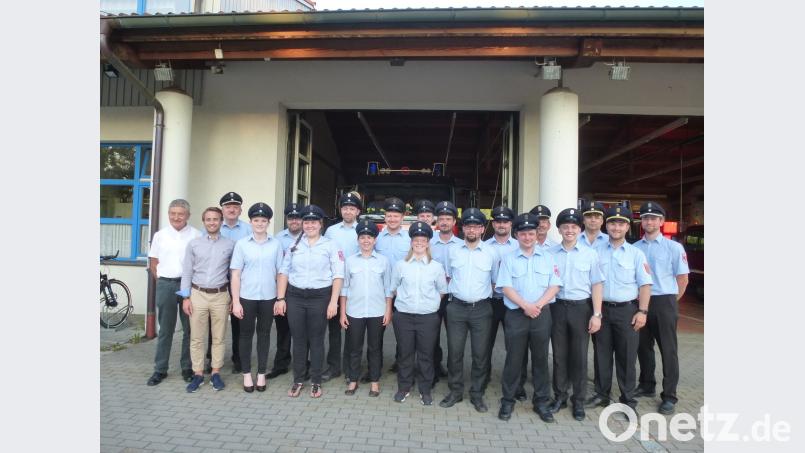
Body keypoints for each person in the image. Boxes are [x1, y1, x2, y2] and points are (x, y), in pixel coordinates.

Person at [585, 206, 652, 418]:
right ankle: (602, 394)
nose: (616, 227)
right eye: (613, 223)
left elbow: (645, 285)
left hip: (627, 311)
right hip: (602, 310)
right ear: (607, 225)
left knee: (626, 357)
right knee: (601, 355)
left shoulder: (636, 253)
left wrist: (642, 311)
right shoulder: (595, 252)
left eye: (621, 223)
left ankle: (627, 399)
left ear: (627, 226)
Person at [496, 213, 562, 422]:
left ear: (536, 234)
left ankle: (541, 402)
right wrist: (526, 306)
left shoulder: (550, 257)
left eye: (531, 233)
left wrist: (538, 306)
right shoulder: (508, 258)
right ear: (517, 235)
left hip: (541, 314)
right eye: (523, 233)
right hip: (517, 314)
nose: (527, 237)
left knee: (541, 359)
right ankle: (508, 400)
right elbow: (506, 287)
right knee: (513, 359)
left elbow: (555, 285)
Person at [275, 204, 345, 398]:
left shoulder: (330, 245)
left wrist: (333, 302)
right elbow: (284, 272)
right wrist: (281, 298)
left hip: (320, 297)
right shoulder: (294, 245)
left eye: (314, 221)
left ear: (321, 224)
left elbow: (338, 275)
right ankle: (298, 379)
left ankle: (315, 380)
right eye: (307, 221)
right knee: (298, 340)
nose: (310, 225)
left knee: (316, 340)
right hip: (295, 297)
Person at [547, 208, 604, 420]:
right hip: (557, 308)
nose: (569, 230)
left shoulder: (590, 254)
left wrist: (597, 314)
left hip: (581, 308)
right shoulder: (550, 253)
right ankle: (560, 396)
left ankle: (578, 401)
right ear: (559, 229)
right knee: (559, 355)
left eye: (573, 227)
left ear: (579, 229)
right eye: (565, 226)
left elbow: (597, 284)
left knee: (579, 356)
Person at [440, 208, 499, 413]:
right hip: (456, 307)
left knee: (480, 354)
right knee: (455, 352)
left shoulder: (491, 252)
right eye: (468, 225)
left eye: (476, 226)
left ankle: (477, 394)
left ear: (483, 229)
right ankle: (455, 392)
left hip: (481, 309)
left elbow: (494, 282)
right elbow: (448, 276)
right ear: (462, 228)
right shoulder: (452, 251)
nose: (472, 229)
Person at [633, 201, 689, 415]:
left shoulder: (674, 247)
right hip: (639, 303)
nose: (649, 221)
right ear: (642, 221)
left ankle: (669, 395)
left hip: (665, 300)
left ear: (662, 221)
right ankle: (647, 384)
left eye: (654, 218)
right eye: (646, 218)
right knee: (642, 346)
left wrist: (671, 302)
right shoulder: (634, 248)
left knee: (668, 350)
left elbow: (682, 278)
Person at [390, 221, 448, 405]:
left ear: (428, 243)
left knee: (426, 355)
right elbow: (394, 288)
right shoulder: (401, 265)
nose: (419, 243)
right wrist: (406, 302)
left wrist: (428, 305)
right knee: (405, 354)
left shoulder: (436, 267)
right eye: (416, 239)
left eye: (423, 240)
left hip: (428, 317)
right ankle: (404, 387)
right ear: (411, 242)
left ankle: (425, 389)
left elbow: (442, 290)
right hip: (404, 316)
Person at [146, 199, 202, 386]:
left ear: (188, 215)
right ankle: (160, 369)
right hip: (166, 285)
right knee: (166, 329)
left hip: (188, 287)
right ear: (169, 214)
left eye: (180, 213)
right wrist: (163, 281)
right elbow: (154, 263)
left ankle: (187, 368)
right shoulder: (160, 235)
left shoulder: (196, 235)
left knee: (189, 329)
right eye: (173, 213)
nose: (176, 217)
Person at [179, 206, 235, 392]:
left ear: (221, 221)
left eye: (216, 219)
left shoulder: (230, 244)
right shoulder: (194, 244)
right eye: (208, 219)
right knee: (197, 337)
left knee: (219, 337)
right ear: (204, 222)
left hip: (220, 295)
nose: (212, 222)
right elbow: (187, 271)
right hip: (198, 295)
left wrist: (233, 298)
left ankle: (216, 373)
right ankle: (197, 374)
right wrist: (185, 297)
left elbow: (233, 273)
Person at [230, 202, 284, 393]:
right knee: (245, 335)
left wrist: (280, 298)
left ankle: (261, 374)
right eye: (256, 220)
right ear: (251, 222)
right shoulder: (242, 245)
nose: (260, 223)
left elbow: (280, 273)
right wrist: (235, 301)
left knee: (264, 334)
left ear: (268, 222)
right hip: (246, 297)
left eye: (263, 220)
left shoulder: (276, 244)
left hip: (269, 297)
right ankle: (246, 374)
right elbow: (235, 274)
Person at [340, 220, 393, 397]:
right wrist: (342, 313)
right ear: (358, 240)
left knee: (375, 348)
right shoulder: (349, 261)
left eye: (369, 237)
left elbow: (388, 289)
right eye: (362, 237)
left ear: (375, 240)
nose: (365, 241)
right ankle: (353, 380)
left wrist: (388, 311)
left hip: (377, 312)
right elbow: (344, 288)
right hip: (354, 311)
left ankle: (374, 382)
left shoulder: (384, 261)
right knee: (354, 348)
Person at [206, 191, 252, 375]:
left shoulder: (249, 229)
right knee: (214, 323)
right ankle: (212, 359)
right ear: (222, 209)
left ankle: (238, 359)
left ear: (241, 209)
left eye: (235, 206)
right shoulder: (213, 226)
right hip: (218, 281)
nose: (231, 209)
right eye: (228, 206)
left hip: (240, 283)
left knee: (239, 324)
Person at [323, 192, 362, 383]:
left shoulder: (362, 230)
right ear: (341, 210)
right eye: (345, 208)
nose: (348, 211)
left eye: (352, 208)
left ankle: (350, 368)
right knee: (334, 329)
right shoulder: (331, 231)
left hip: (355, 286)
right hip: (334, 285)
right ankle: (333, 367)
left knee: (352, 329)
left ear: (357, 211)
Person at [481, 206, 518, 394]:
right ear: (493, 223)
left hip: (513, 304)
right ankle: (483, 377)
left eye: (505, 221)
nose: (501, 224)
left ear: (511, 224)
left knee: (514, 344)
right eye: (498, 221)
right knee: (485, 343)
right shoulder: (484, 246)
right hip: (491, 301)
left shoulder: (519, 246)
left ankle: (515, 383)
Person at [266, 202, 303, 380]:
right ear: (286, 219)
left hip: (302, 290)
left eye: (297, 217)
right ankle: (281, 363)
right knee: (283, 329)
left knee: (304, 330)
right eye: (291, 217)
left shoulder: (311, 236)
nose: (294, 221)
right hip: (282, 290)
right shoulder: (277, 239)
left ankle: (305, 363)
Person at [375, 197, 412, 373]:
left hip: (402, 292)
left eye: (396, 216)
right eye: (389, 215)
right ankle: (375, 366)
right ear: (385, 217)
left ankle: (401, 363)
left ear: (403, 217)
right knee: (377, 332)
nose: (392, 219)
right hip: (380, 292)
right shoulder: (377, 238)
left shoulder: (409, 239)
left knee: (402, 333)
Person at [429, 201, 462, 379]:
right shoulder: (428, 243)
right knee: (432, 336)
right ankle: (434, 369)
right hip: (433, 295)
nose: (444, 222)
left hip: (454, 297)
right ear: (436, 221)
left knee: (454, 337)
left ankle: (453, 372)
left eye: (448, 219)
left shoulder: (462, 244)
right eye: (441, 218)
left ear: (454, 222)